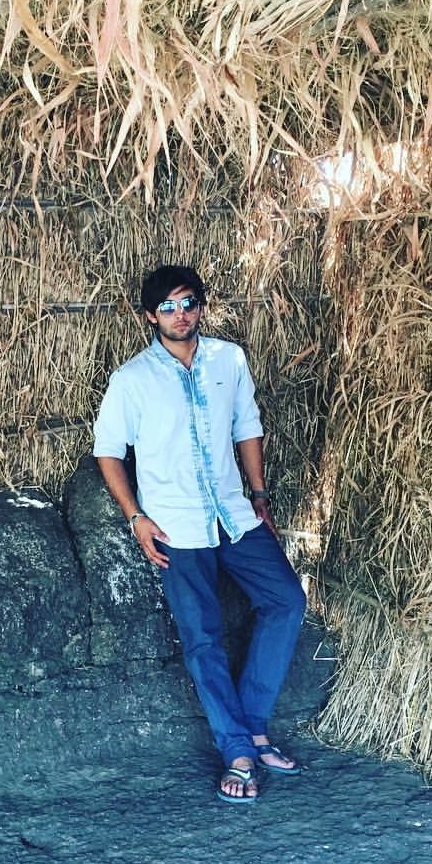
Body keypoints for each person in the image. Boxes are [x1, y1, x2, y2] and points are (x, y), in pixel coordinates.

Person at [93, 264, 307, 803]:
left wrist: (259, 495)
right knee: (203, 639)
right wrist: (136, 517)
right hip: (177, 525)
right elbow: (108, 451)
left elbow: (247, 427)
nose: (180, 314)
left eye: (188, 303)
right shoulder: (132, 380)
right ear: (150, 316)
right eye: (167, 307)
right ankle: (238, 751)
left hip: (234, 515)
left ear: (201, 308)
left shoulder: (228, 360)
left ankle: (253, 726)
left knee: (286, 600)